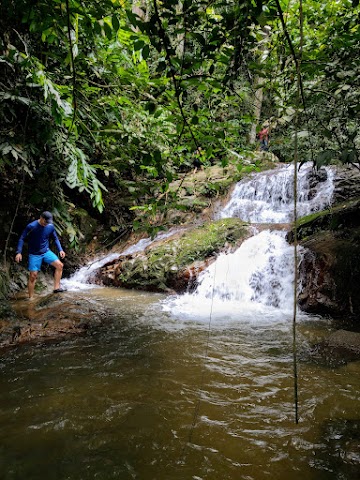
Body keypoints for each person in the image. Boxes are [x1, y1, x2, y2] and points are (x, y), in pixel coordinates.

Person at [15, 211, 66, 299]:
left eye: (48, 222)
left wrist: (60, 250)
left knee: (60, 266)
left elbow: (55, 238)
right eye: (45, 222)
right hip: (34, 254)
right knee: (33, 276)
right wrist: (19, 252)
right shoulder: (31, 226)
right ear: (41, 218)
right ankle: (31, 298)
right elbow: (22, 238)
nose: (46, 224)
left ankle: (56, 288)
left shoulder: (50, 226)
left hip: (46, 252)